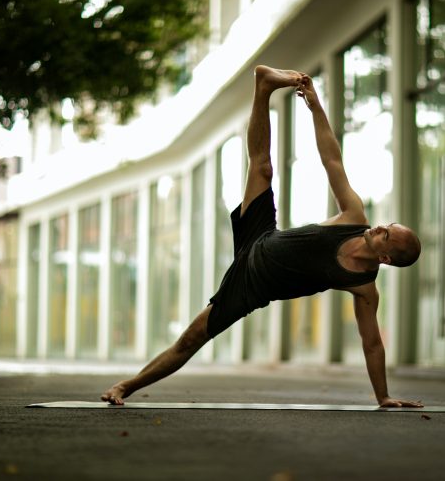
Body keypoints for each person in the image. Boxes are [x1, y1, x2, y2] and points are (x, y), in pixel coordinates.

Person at [101, 65, 422, 408]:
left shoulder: (364, 287)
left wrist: (383, 395)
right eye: (386, 224)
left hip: (252, 286)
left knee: (192, 339)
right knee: (262, 167)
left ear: (385, 258)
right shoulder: (354, 217)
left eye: (387, 234)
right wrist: (315, 107)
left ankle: (125, 386)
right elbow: (332, 159)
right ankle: (264, 85)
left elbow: (372, 343)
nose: (379, 227)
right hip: (260, 235)